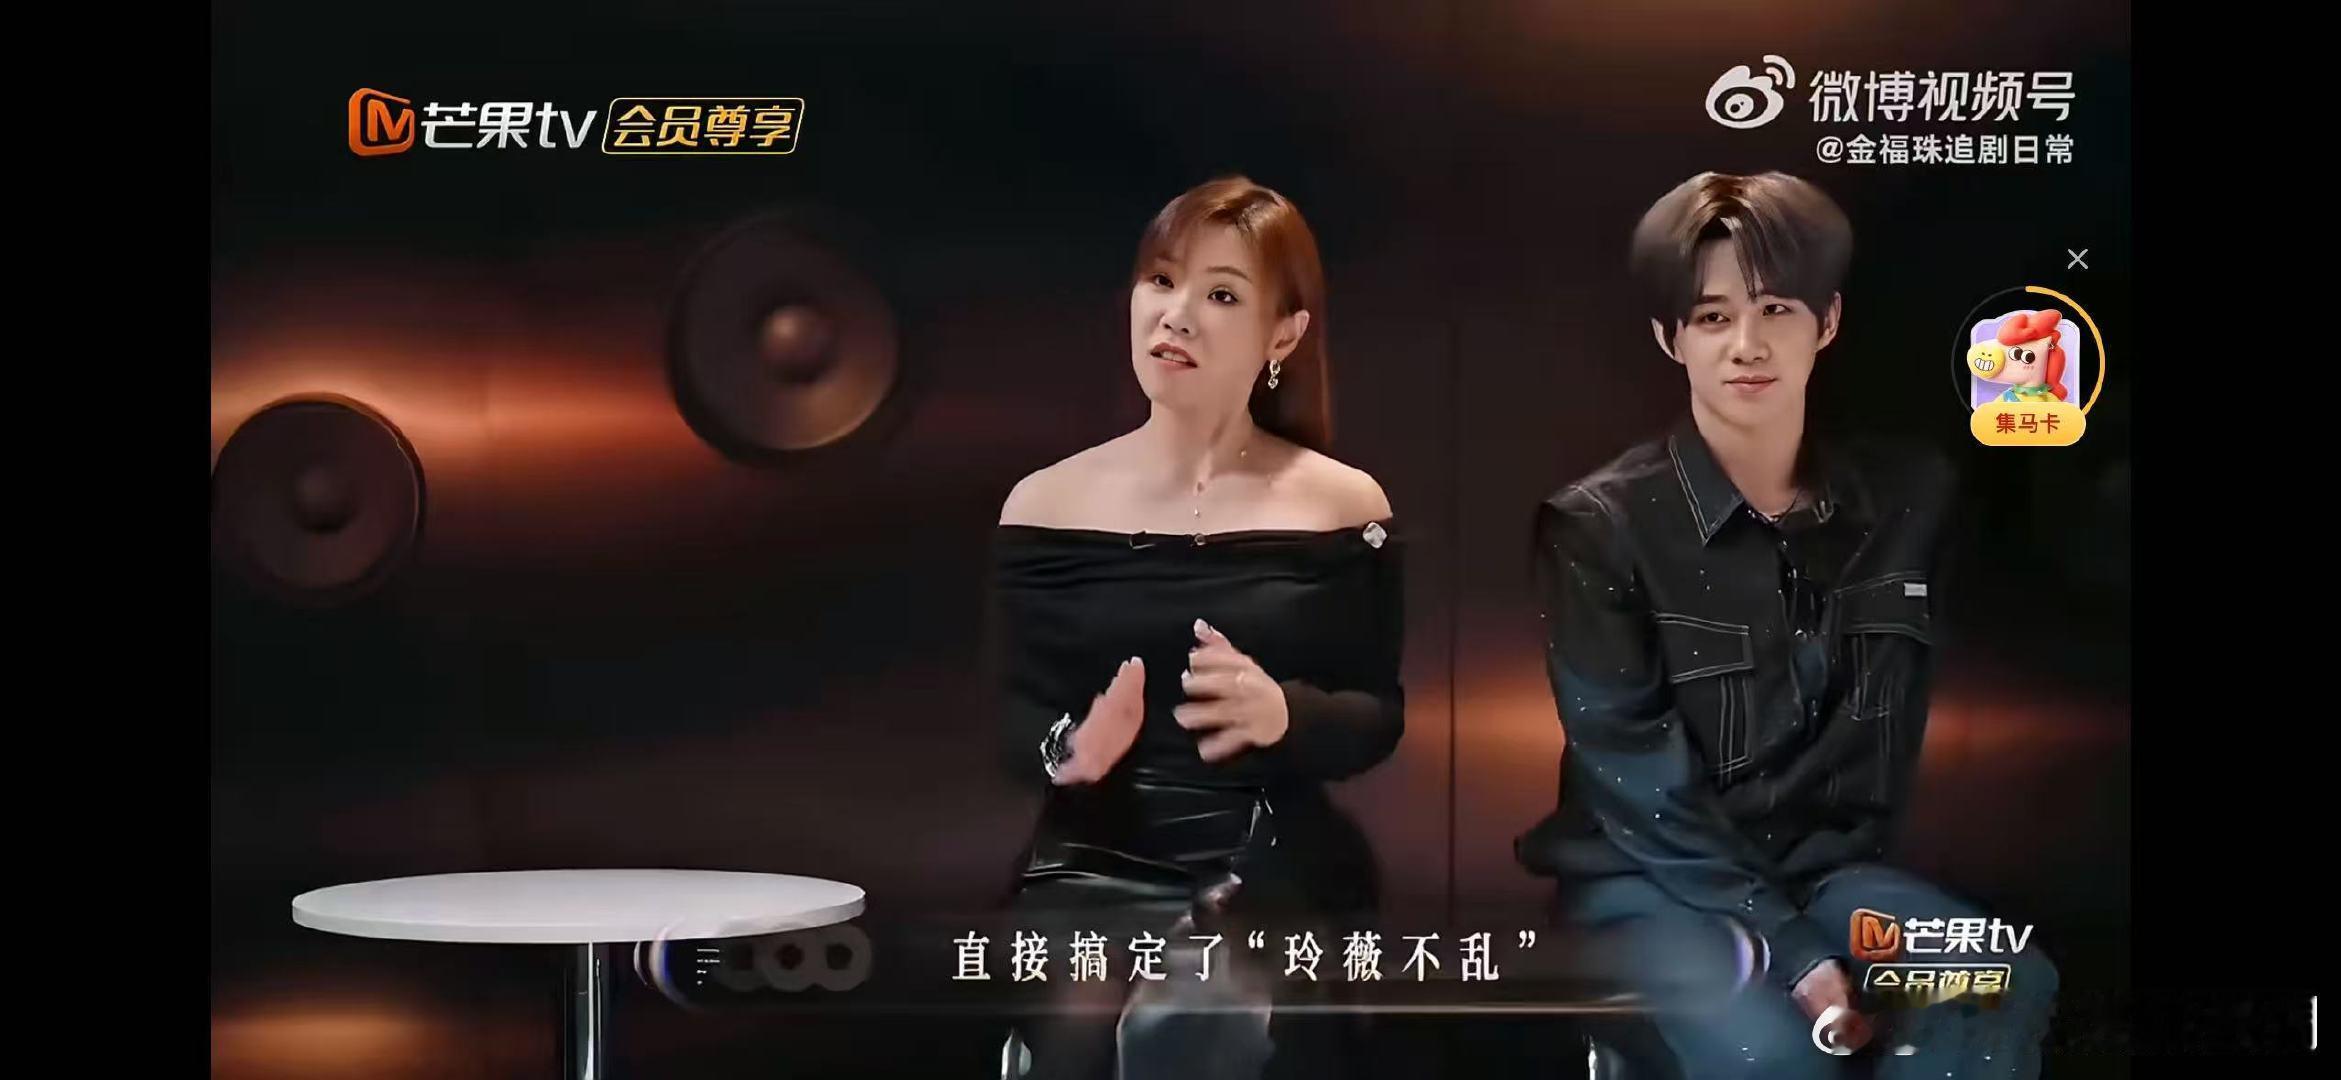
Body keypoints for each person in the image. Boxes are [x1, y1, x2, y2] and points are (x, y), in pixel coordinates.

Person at [1515, 171, 2058, 1078]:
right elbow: (1637, 784)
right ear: (1669, 338)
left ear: (1826, 321)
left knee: (1997, 981)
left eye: (1775, 308)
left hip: (1829, 877)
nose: (1747, 345)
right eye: (1712, 317)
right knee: (1773, 1052)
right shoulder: (1599, 525)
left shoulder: (1909, 498)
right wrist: (1794, 952)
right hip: (1648, 883)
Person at [990, 175, 1404, 1079]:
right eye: (1161, 280)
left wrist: (1284, 715)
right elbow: (1010, 711)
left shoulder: (1341, 504)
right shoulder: (1045, 503)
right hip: (1094, 853)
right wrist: (1071, 748)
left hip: (1270, 849)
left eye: (1220, 295)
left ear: (1283, 334)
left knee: (1235, 1011)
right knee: (1078, 1018)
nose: (1175, 315)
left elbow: (1376, 713)